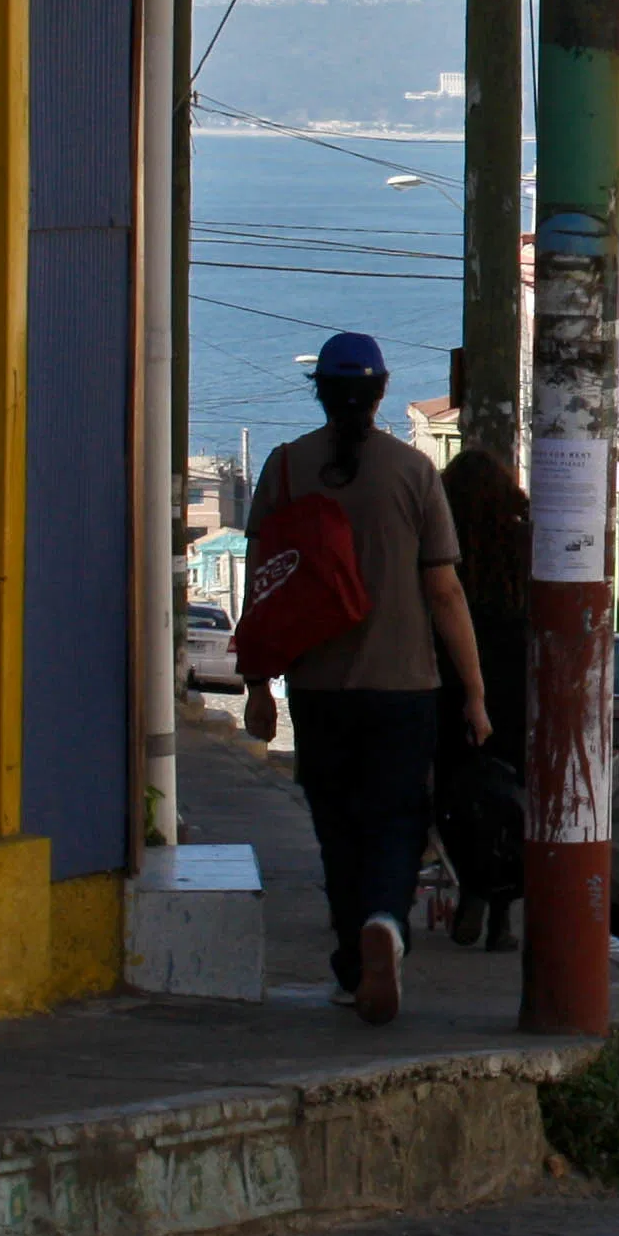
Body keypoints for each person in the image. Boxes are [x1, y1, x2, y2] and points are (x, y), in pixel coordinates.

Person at [242, 334, 486, 1023]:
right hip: (404, 688)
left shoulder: (285, 469)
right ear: (381, 393)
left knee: (337, 828)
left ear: (319, 390)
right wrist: (473, 692)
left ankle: (355, 961)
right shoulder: (414, 473)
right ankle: (386, 922)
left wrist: (259, 688)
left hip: (317, 691)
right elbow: (444, 592)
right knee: (395, 822)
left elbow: (264, 586)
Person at [435, 446, 535, 953]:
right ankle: (501, 911)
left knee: (455, 793)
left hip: (452, 676)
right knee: (508, 797)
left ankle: (472, 886)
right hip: (515, 682)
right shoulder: (523, 543)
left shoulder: (443, 547)